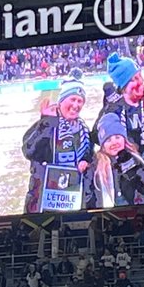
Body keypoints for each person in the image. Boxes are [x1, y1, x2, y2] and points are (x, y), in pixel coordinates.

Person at [21, 70, 91, 212]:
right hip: (42, 201)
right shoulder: (46, 123)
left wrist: (86, 161)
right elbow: (29, 151)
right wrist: (47, 122)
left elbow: (89, 154)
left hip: (72, 199)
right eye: (72, 99)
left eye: (80, 101)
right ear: (61, 101)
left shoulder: (83, 129)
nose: (76, 105)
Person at [95, 53, 144, 175]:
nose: (141, 82)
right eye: (134, 79)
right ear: (123, 86)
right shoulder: (113, 108)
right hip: (127, 169)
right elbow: (96, 136)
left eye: (140, 77)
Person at [89, 115, 144, 209]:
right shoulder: (95, 167)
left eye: (117, 137)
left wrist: (137, 172)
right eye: (108, 140)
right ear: (103, 146)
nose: (114, 143)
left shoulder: (136, 159)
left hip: (133, 212)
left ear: (124, 139)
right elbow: (89, 196)